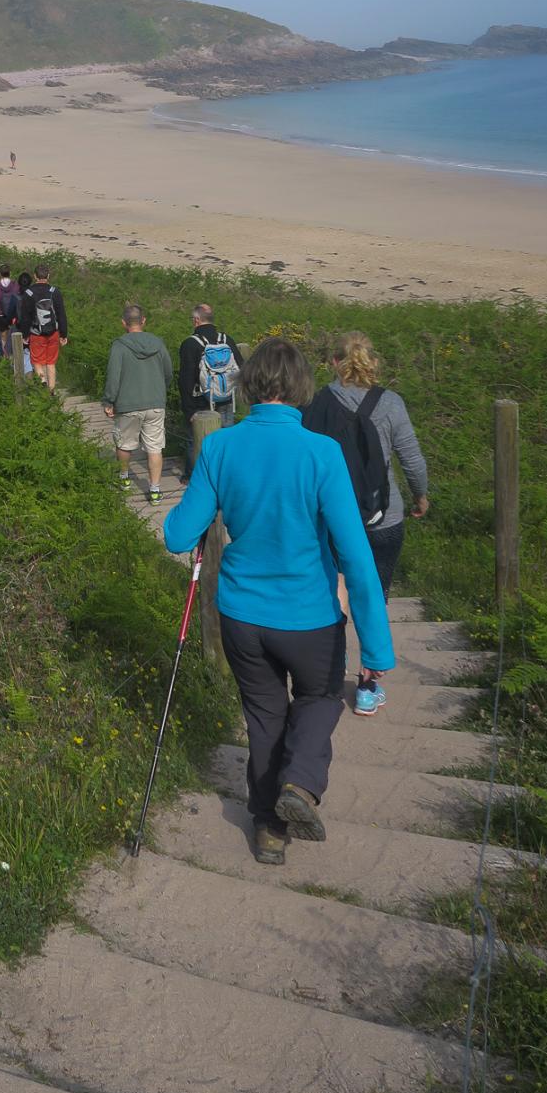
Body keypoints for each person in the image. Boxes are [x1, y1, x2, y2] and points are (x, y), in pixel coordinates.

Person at [162, 337, 394, 866]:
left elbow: (178, 536)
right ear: (302, 390)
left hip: (242, 616)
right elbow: (355, 558)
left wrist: (204, 507)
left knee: (265, 717)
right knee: (317, 699)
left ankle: (268, 831)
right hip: (309, 617)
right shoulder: (321, 453)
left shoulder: (219, 447)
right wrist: (376, 651)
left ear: (248, 386)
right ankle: (302, 785)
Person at [304, 332, 429, 718]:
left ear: (333, 362)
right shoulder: (391, 403)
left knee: (337, 588)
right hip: (383, 516)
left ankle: (330, 669)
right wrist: (421, 495)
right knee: (375, 596)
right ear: (372, 362)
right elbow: (412, 459)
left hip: (332, 516)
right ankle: (366, 686)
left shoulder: (317, 403)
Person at [102, 305, 174, 506]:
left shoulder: (119, 346)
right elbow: (168, 372)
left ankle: (124, 478)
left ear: (123, 323)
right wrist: (160, 390)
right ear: (143, 321)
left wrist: (109, 400)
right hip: (155, 403)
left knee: (124, 443)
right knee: (154, 447)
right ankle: (155, 490)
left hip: (127, 404)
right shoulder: (158, 343)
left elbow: (113, 377)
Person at [178, 303, 244, 476]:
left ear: (196, 320)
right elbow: (241, 367)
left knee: (195, 440)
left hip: (200, 400)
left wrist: (188, 409)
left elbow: (185, 379)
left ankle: (192, 476)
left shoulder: (190, 344)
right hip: (226, 398)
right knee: (225, 438)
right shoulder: (226, 339)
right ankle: (225, 473)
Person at [18, 265, 68, 391]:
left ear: (35, 276)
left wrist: (25, 335)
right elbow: (61, 314)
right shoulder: (54, 291)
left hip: (36, 334)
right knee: (51, 363)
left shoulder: (28, 293)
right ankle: (51, 391)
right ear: (48, 276)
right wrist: (63, 334)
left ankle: (42, 380)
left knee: (37, 361)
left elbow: (25, 318)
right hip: (53, 333)